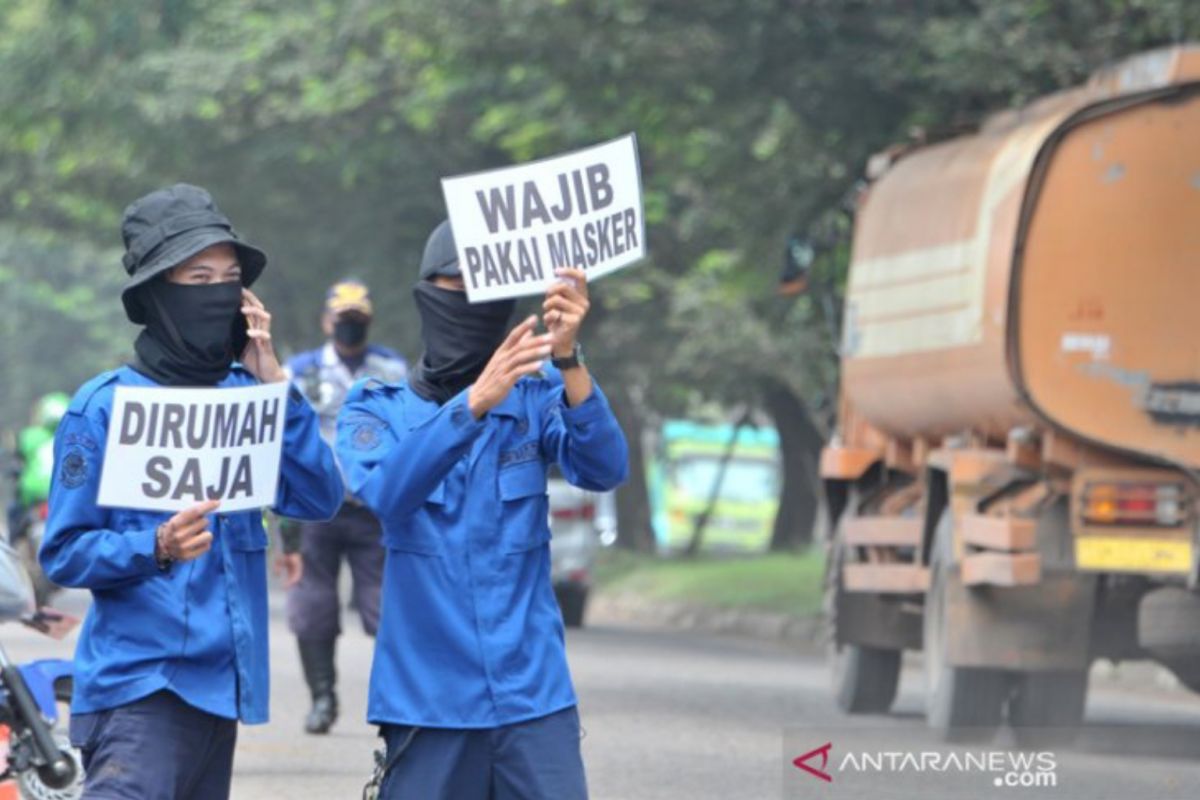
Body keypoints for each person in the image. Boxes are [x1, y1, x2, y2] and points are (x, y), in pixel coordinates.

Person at [39, 183, 344, 800]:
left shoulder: (248, 398)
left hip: (221, 691)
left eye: (229, 279)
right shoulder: (103, 408)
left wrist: (276, 385)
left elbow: (319, 497)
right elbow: (64, 552)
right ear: (158, 295)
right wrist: (156, 545)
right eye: (198, 278)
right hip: (139, 693)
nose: (219, 294)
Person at [338, 220, 628, 800]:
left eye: (488, 293)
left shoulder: (538, 394)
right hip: (428, 704)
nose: (473, 307)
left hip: (532, 697)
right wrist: (470, 406)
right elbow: (389, 496)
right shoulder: (374, 410)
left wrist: (569, 360)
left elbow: (603, 468)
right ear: (428, 295)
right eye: (458, 289)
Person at [279, 279, 407, 734]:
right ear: (326, 321)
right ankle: (322, 698)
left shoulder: (391, 368)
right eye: (342, 318)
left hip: (375, 507)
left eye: (358, 318)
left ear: (369, 321)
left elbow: (410, 432)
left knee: (388, 606)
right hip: (317, 509)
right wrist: (286, 527)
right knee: (312, 606)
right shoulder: (300, 371)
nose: (349, 325)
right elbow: (284, 441)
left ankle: (395, 701)